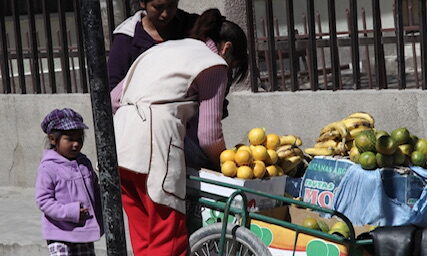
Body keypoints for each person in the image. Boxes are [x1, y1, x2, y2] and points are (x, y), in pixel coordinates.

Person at [113, 8, 248, 256]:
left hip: (122, 146)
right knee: (168, 239)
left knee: (145, 240)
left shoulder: (166, 49)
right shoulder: (214, 65)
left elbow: (113, 99)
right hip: (155, 149)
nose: (229, 71)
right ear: (226, 48)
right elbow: (209, 136)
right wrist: (227, 166)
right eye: (234, 66)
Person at [35, 108, 103, 256]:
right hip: (59, 233)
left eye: (79, 139)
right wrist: (71, 212)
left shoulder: (84, 163)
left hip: (83, 232)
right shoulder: (48, 167)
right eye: (70, 139)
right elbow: (44, 201)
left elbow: (96, 190)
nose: (76, 144)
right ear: (53, 139)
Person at [107, 0, 198, 91]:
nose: (165, 14)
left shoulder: (193, 26)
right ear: (143, 2)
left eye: (171, 6)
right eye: (158, 7)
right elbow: (114, 86)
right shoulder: (126, 39)